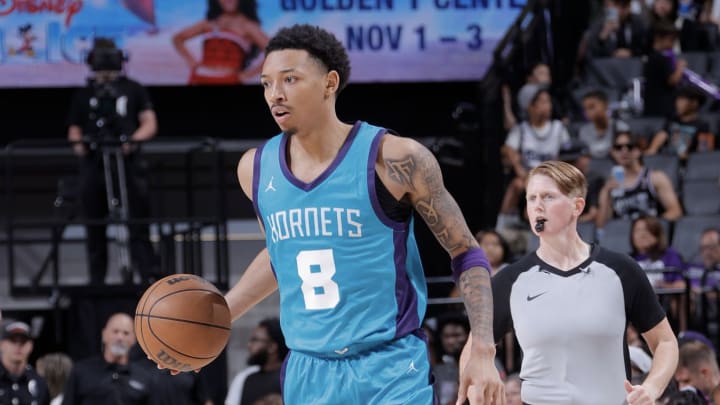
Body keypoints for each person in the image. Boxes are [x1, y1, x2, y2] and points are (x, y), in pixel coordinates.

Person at [156, 24, 503, 404]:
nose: (275, 94)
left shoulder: (395, 159)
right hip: (308, 371)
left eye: (290, 79)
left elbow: (465, 251)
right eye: (267, 83)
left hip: (390, 367)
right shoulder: (255, 169)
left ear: (329, 83)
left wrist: (482, 347)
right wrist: (216, 318)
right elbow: (281, 255)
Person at [461, 161, 679, 404]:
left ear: (577, 206)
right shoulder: (511, 280)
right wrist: (478, 390)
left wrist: (651, 388)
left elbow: (666, 342)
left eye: (548, 197)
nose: (537, 205)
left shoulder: (621, 270)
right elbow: (473, 350)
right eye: (531, 198)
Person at [67, 37, 160, 285]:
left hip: (128, 165)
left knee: (138, 223)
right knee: (94, 226)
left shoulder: (134, 88)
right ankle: (97, 281)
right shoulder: (84, 94)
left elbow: (149, 122)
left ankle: (147, 277)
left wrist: (133, 140)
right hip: (94, 165)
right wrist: (80, 145)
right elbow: (74, 129)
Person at [498, 83, 570, 230]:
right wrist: (519, 169)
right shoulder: (521, 130)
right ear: (530, 107)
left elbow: (569, 152)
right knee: (517, 184)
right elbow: (507, 150)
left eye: (548, 102)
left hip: (552, 175)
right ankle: (503, 225)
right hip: (527, 176)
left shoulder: (558, 128)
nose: (548, 106)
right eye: (542, 102)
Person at [62, 313, 156, 405]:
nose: (120, 337)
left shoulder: (145, 378)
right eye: (115, 331)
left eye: (126, 333)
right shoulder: (81, 371)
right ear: (104, 334)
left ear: (134, 339)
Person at [596, 130, 684, 228]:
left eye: (629, 146)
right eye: (618, 147)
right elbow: (601, 226)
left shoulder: (655, 178)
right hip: (621, 234)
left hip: (647, 234)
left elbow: (675, 211)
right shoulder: (610, 185)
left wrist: (649, 228)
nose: (624, 151)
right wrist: (606, 192)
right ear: (613, 152)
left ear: (638, 150)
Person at [172, 0, 269, 85]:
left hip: (228, 80)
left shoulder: (247, 25)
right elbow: (178, 38)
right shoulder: (208, 22)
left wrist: (248, 74)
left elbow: (274, 52)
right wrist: (191, 61)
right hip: (199, 78)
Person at [225, 318, 287, 405]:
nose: (249, 345)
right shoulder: (246, 378)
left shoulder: (288, 379)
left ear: (272, 347)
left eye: (255, 340)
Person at [646, 86, 714, 160]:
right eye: (677, 100)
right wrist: (653, 149)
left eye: (682, 100)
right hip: (667, 159)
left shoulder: (702, 125)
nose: (678, 104)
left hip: (687, 161)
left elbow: (704, 152)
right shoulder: (672, 120)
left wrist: (689, 156)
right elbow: (662, 135)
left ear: (694, 103)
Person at [0, 320, 50, 405]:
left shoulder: (39, 383)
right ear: (1, 344)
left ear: (30, 345)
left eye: (23, 341)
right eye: (13, 341)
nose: (18, 346)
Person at [643, 21, 687, 117]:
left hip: (654, 107)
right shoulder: (659, 58)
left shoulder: (651, 56)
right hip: (661, 110)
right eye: (671, 40)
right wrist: (680, 67)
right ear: (658, 38)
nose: (672, 44)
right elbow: (672, 81)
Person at [558, 138, 605, 224]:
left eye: (573, 161)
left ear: (586, 158)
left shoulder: (594, 180)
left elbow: (593, 214)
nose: (569, 165)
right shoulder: (555, 181)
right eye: (565, 162)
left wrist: (569, 224)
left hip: (584, 226)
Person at [577, 89, 630, 159]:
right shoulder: (584, 131)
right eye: (585, 109)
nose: (588, 112)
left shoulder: (621, 127)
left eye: (591, 107)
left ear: (605, 105)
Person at [433, 313, 470, 405]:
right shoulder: (438, 370)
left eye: (456, 335)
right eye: (446, 336)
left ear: (467, 335)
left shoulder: (483, 363)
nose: (451, 341)